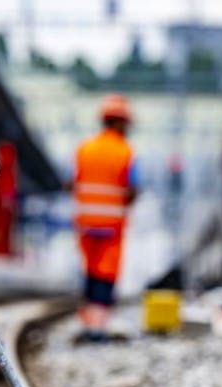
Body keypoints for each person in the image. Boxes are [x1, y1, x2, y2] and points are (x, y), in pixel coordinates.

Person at [72, 94, 138, 342]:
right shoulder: (126, 152)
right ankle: (97, 329)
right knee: (105, 275)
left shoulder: (84, 149)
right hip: (111, 226)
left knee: (90, 273)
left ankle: (90, 321)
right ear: (121, 123)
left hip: (87, 224)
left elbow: (72, 183)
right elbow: (132, 188)